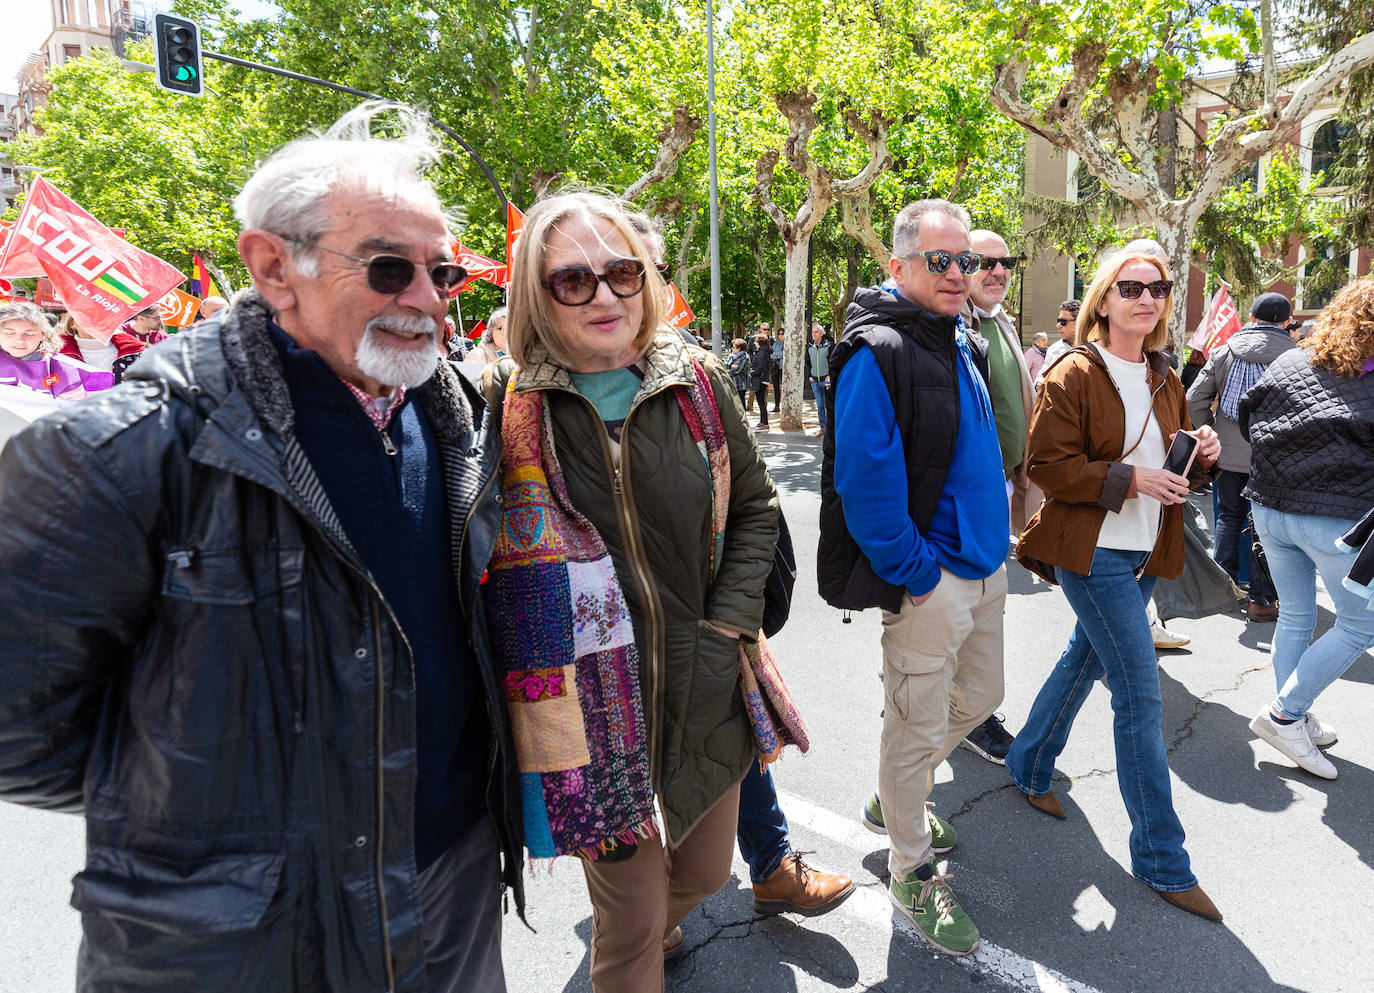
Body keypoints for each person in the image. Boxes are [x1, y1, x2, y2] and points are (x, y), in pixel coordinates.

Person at [0, 104, 523, 993]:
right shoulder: (122, 449)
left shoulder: (460, 417)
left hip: (453, 890)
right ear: (274, 267)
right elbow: (19, 733)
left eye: (445, 275)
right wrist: (219, 830)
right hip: (247, 945)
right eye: (392, 269)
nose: (430, 300)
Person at [482, 191, 779, 993]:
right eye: (572, 281)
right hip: (583, 716)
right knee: (635, 926)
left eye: (620, 272)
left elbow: (755, 510)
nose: (605, 294)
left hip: (707, 676)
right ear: (533, 296)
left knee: (710, 873)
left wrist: (727, 630)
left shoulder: (702, 384)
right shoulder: (504, 409)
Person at [1009, 248, 1223, 923]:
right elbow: (1047, 463)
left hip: (1143, 551)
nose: (1147, 298)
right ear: (1103, 298)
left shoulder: (1164, 378)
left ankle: (1029, 762)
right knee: (1139, 693)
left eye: (1157, 288)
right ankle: (1163, 857)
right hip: (1091, 551)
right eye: (1131, 287)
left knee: (1083, 659)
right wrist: (1131, 479)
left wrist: (1202, 460)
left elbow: (1174, 475)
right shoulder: (1074, 371)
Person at [820, 199, 1008, 956]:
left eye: (968, 259)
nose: (962, 273)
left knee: (982, 699)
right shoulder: (878, 349)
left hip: (987, 567)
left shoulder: (959, 335)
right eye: (943, 260)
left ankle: (895, 796)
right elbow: (865, 484)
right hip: (932, 580)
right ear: (898, 266)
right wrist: (916, 573)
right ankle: (909, 867)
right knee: (915, 728)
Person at [1239, 276, 1374, 781]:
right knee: (1362, 624)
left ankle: (1291, 711)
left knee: (1296, 615)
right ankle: (1284, 714)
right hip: (1335, 516)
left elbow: (1247, 414)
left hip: (1271, 507)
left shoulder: (1293, 359)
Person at [960, 228, 1034, 765]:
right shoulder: (952, 325)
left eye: (1006, 261)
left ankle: (957, 705)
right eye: (985, 261)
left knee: (983, 607)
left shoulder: (997, 322)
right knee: (968, 610)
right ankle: (968, 714)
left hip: (999, 487)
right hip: (965, 497)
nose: (999, 270)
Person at [1187, 291, 1296, 621]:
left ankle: (1223, 585)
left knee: (1229, 518)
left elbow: (1194, 400)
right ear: (1287, 322)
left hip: (1229, 456)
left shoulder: (1223, 351)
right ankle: (1261, 600)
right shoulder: (1297, 356)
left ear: (1251, 318)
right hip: (1275, 458)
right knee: (1266, 528)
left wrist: (1212, 433)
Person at [0, 302, 116, 399]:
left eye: (29, 334)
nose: (20, 341)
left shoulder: (61, 372)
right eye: (9, 333)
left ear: (42, 335)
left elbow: (70, 411)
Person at [55, 311, 146, 383]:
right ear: (72, 323)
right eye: (86, 315)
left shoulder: (134, 350)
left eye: (99, 317)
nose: (92, 320)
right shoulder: (57, 352)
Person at [1039, 299, 1080, 380]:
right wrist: (1038, 383)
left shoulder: (1093, 347)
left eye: (1063, 322)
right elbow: (1042, 376)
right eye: (1058, 321)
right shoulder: (1054, 349)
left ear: (1078, 322)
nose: (1058, 325)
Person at [804, 322, 833, 436]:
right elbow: (807, 363)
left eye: (816, 332)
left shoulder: (829, 346)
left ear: (822, 333)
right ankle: (823, 428)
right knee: (820, 405)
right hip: (815, 381)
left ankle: (831, 428)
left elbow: (833, 362)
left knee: (829, 405)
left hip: (826, 380)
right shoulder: (809, 347)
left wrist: (830, 375)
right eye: (812, 332)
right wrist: (809, 376)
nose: (814, 334)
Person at [750, 330, 773, 427]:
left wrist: (751, 373)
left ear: (759, 342)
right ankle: (763, 421)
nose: (755, 344)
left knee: (761, 402)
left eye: (756, 342)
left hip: (761, 379)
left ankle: (765, 422)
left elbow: (761, 367)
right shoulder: (763, 351)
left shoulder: (762, 352)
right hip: (763, 379)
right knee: (761, 402)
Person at [727, 337, 751, 409]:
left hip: (740, 384)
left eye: (734, 347)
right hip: (731, 383)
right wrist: (731, 366)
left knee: (740, 403)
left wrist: (729, 370)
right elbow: (725, 365)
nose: (732, 348)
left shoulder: (745, 357)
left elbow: (738, 370)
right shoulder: (731, 355)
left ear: (739, 348)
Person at [770, 327, 785, 413]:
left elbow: (786, 353)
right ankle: (777, 406)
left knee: (785, 388)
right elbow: (771, 354)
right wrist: (779, 355)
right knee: (776, 388)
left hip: (783, 368)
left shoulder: (788, 343)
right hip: (775, 368)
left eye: (782, 334)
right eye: (779, 334)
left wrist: (778, 354)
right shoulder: (775, 344)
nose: (780, 335)